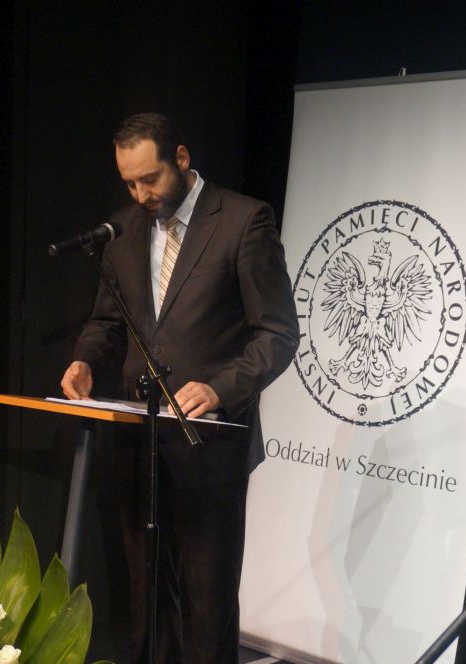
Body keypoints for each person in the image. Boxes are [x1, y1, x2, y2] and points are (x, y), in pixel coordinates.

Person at [60, 112, 299, 663]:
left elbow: (278, 333)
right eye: (129, 184)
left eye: (150, 179)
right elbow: (107, 322)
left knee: (207, 602)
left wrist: (219, 388)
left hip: (208, 443)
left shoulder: (243, 220)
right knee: (147, 599)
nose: (141, 194)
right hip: (139, 441)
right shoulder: (123, 230)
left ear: (182, 159)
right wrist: (85, 360)